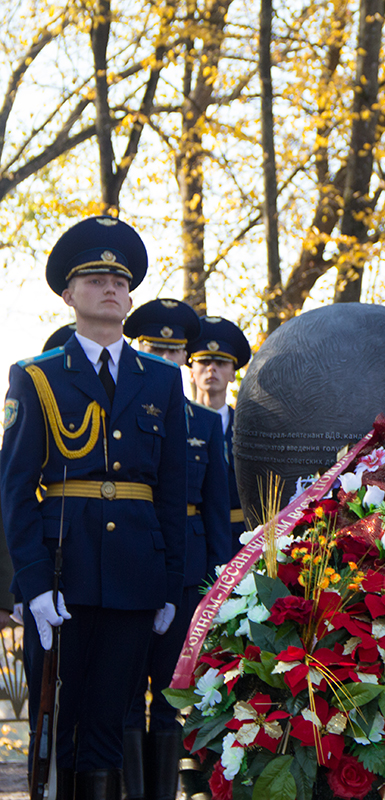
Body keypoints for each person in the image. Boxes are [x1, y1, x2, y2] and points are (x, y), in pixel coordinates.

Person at [1, 216, 186, 799]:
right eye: (95, 277)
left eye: (119, 279)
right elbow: (14, 490)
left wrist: (168, 589)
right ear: (68, 294)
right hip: (63, 574)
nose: (111, 287)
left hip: (136, 578)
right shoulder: (37, 377)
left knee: (109, 729)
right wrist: (33, 586)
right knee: (57, 730)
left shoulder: (160, 382)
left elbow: (173, 496)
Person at [122, 299, 230, 800]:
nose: (165, 358)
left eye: (174, 350)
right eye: (154, 348)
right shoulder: (116, 409)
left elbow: (213, 513)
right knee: (122, 697)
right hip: (123, 564)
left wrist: (218, 582)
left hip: (186, 570)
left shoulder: (204, 424)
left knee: (170, 693)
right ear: (136, 349)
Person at [188, 316, 252, 547]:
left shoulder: (247, 426)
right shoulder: (178, 422)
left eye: (221, 363)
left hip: (240, 537)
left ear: (233, 373)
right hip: (194, 535)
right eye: (204, 361)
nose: (212, 368)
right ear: (191, 371)